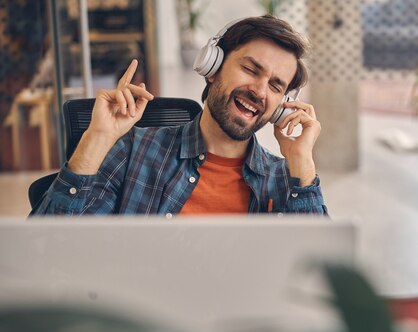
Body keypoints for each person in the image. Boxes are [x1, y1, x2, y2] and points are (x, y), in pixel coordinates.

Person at [33, 15, 327, 216]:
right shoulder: (134, 150)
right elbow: (52, 244)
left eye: (276, 86)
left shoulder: (285, 180)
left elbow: (321, 283)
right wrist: (97, 139)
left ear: (283, 103)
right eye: (250, 70)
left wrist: (302, 161)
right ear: (212, 68)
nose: (260, 91)